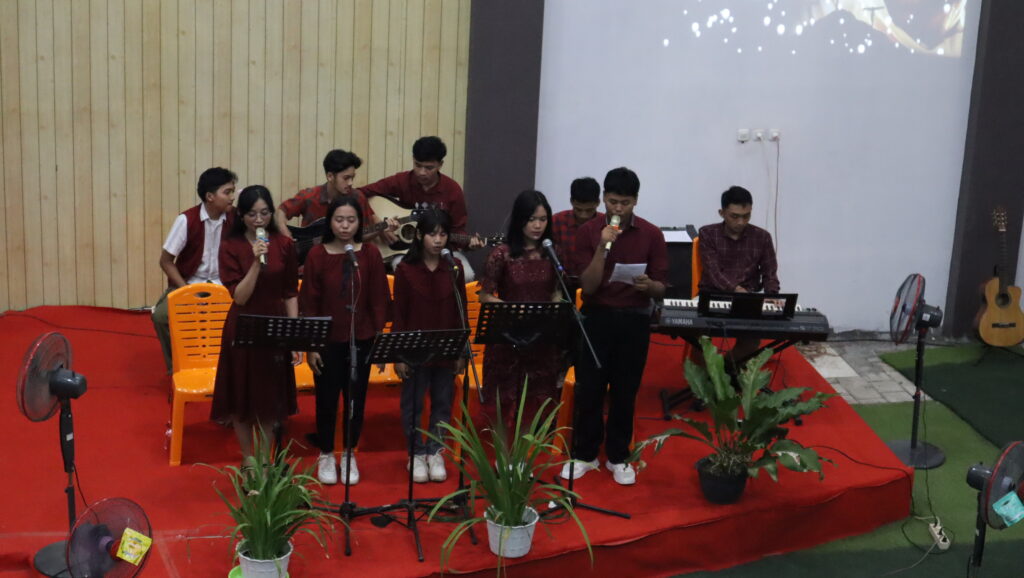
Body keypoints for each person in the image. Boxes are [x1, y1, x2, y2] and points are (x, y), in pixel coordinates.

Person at [567, 167, 668, 486]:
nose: (618, 209)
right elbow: (588, 286)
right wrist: (602, 247)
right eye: (612, 202)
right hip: (596, 317)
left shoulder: (651, 234)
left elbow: (662, 288)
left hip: (635, 318)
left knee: (625, 391)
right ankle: (584, 454)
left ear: (635, 201)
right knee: (590, 389)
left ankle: (618, 456)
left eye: (625, 203)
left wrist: (649, 286)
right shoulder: (588, 232)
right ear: (604, 199)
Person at [300, 197, 391, 485]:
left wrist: (378, 337)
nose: (344, 226)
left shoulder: (370, 254)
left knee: (356, 399)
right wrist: (312, 345)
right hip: (327, 342)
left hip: (360, 339)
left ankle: (350, 452)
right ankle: (326, 453)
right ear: (329, 222)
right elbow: (309, 302)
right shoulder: (316, 255)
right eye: (339, 220)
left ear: (359, 223)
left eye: (351, 220)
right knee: (326, 399)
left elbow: (379, 298)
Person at [210, 185, 300, 458]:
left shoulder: (284, 245)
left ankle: (264, 461)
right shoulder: (231, 246)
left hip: (275, 326)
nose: (259, 220)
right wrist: (256, 263)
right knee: (242, 397)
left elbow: (290, 293)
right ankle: (249, 460)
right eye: (252, 214)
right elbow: (239, 297)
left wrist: (294, 336)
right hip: (243, 326)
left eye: (264, 213)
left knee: (270, 400)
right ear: (241, 215)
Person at [478, 190, 564, 438]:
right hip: (508, 338)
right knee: (504, 401)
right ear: (519, 220)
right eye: (531, 219)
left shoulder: (552, 253)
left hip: (541, 339)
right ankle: (503, 454)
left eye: (543, 219)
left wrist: (555, 308)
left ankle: (526, 454)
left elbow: (557, 291)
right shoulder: (502, 254)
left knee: (536, 402)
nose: (537, 226)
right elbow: (485, 295)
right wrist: (513, 309)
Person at [391, 210, 468, 483]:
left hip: (446, 348)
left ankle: (436, 451)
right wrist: (399, 354)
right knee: (412, 404)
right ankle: (415, 453)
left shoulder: (454, 267)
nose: (438, 240)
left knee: (443, 402)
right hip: (414, 349)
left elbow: (461, 312)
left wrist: (461, 351)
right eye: (432, 234)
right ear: (419, 235)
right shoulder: (405, 269)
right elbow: (399, 314)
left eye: (443, 234)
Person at [360, 136, 484, 278]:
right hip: (407, 251)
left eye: (429, 168)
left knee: (467, 275)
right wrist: (379, 223)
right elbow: (358, 193)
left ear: (440, 164)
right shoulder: (402, 181)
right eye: (417, 165)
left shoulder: (452, 190)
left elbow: (457, 230)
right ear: (413, 159)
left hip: (441, 249)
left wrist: (469, 244)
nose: (421, 172)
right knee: (403, 270)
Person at [152, 167, 237, 374]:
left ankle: (229, 369)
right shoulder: (186, 220)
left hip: (225, 285)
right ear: (210, 196)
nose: (232, 197)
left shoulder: (236, 219)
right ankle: (178, 370)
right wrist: (185, 291)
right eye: (227, 192)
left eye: (233, 191)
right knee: (161, 317)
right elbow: (165, 261)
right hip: (190, 283)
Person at [697, 185, 780, 364]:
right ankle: (709, 375)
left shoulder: (762, 237)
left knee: (751, 342)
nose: (741, 222)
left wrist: (771, 295)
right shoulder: (708, 233)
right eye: (734, 216)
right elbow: (713, 272)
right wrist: (735, 289)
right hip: (713, 294)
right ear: (722, 213)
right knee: (699, 339)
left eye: (746, 216)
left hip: (747, 299)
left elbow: (770, 272)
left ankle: (724, 371)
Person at [273, 149, 387, 242]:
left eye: (352, 178)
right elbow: (281, 211)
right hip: (310, 256)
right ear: (330, 176)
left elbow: (362, 235)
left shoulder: (358, 198)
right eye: (346, 178)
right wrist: (286, 234)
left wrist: (381, 228)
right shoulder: (310, 196)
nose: (350, 183)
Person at [550, 176, 603, 283]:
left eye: (589, 210)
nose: (583, 215)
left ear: (598, 202)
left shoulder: (604, 224)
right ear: (571, 201)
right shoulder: (557, 221)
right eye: (578, 209)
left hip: (595, 284)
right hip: (562, 283)